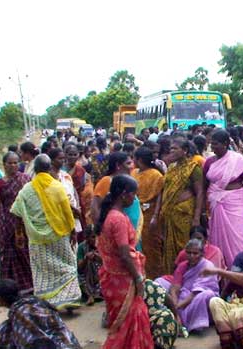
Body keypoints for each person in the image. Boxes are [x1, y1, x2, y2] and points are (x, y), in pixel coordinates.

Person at [10, 155, 81, 311]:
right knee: (67, 265)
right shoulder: (57, 187)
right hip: (59, 234)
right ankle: (67, 299)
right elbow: (67, 212)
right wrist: (73, 231)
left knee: (41, 269)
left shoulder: (26, 190)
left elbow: (17, 212)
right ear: (49, 169)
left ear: (34, 169)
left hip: (36, 237)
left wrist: (19, 234)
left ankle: (46, 302)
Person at [95, 174, 153, 348]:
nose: (134, 198)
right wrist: (137, 278)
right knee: (132, 317)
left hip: (111, 276)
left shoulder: (109, 215)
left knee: (123, 321)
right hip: (123, 278)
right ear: (123, 194)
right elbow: (124, 253)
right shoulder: (118, 219)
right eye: (133, 194)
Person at [204, 129, 243, 266]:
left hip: (236, 203)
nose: (213, 147)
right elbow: (204, 186)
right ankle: (222, 270)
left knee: (238, 236)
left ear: (226, 143)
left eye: (216, 144)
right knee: (217, 236)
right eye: (212, 144)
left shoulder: (237, 160)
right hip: (216, 204)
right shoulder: (209, 162)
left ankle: (241, 267)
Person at [0, 279, 82, 349]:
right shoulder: (32, 301)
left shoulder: (22, 313)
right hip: (68, 344)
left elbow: (35, 342)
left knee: (2, 333)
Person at [160, 137, 204, 275]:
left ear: (185, 151)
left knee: (184, 246)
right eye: (170, 148)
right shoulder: (171, 168)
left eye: (175, 148)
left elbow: (200, 192)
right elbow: (164, 189)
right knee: (169, 248)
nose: (171, 151)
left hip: (184, 215)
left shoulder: (193, 168)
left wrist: (197, 217)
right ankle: (172, 276)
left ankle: (188, 275)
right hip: (169, 214)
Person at [0, 151, 33, 295]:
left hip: (23, 221)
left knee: (25, 252)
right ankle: (9, 288)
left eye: (16, 162)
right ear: (4, 165)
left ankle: (28, 284)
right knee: (8, 254)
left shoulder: (26, 179)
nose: (13, 165)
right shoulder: (0, 184)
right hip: (7, 223)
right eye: (10, 163)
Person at [158, 239, 220, 333]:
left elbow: (196, 292)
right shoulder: (183, 266)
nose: (191, 256)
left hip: (197, 298)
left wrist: (178, 306)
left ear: (202, 254)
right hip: (183, 295)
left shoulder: (208, 266)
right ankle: (173, 317)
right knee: (159, 282)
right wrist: (174, 304)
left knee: (206, 294)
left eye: (195, 253)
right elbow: (175, 287)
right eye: (189, 253)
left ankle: (193, 324)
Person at [132, 146, 165, 279]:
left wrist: (155, 216)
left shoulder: (156, 175)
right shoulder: (133, 173)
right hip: (135, 213)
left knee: (151, 247)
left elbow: (159, 197)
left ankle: (154, 277)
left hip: (150, 214)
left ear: (139, 159)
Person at [48, 148, 83, 236]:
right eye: (60, 158)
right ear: (51, 160)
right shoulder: (48, 178)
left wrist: (77, 206)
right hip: (61, 216)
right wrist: (72, 210)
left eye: (63, 158)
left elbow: (74, 191)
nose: (63, 160)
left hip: (74, 214)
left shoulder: (65, 175)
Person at [142, 278, 180, 349]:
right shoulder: (119, 289)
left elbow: (169, 302)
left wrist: (176, 318)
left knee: (166, 316)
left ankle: (161, 345)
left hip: (151, 324)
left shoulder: (149, 286)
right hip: (128, 328)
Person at [77, 227, 102, 305]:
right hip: (86, 276)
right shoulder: (81, 247)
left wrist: (97, 257)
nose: (95, 239)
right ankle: (90, 295)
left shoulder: (101, 244)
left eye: (96, 236)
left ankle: (97, 294)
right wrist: (86, 258)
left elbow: (107, 263)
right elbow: (80, 267)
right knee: (78, 278)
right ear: (87, 238)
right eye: (93, 237)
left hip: (99, 277)